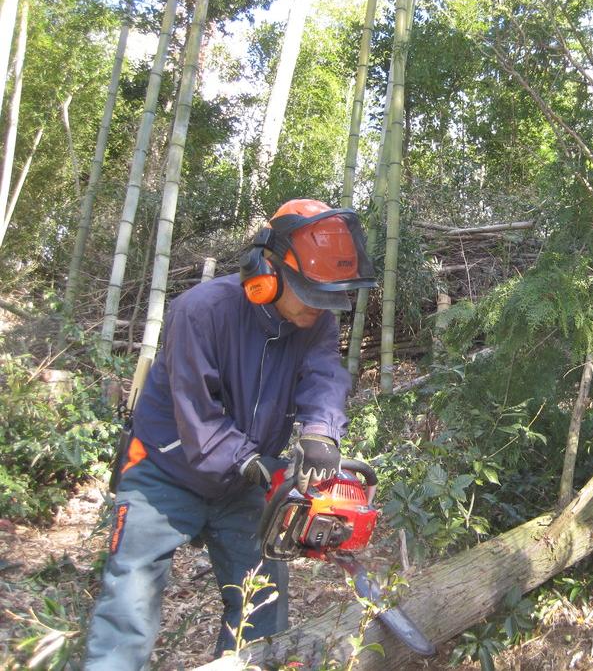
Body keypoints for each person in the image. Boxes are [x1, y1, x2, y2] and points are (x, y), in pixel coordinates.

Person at [84, 199, 376, 670]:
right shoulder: (201, 311)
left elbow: (324, 376)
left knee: (262, 603)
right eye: (311, 293)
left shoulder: (315, 321)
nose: (319, 308)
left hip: (243, 479)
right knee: (129, 604)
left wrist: (321, 433)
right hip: (164, 469)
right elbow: (195, 414)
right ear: (267, 274)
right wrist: (252, 462)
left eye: (328, 297)